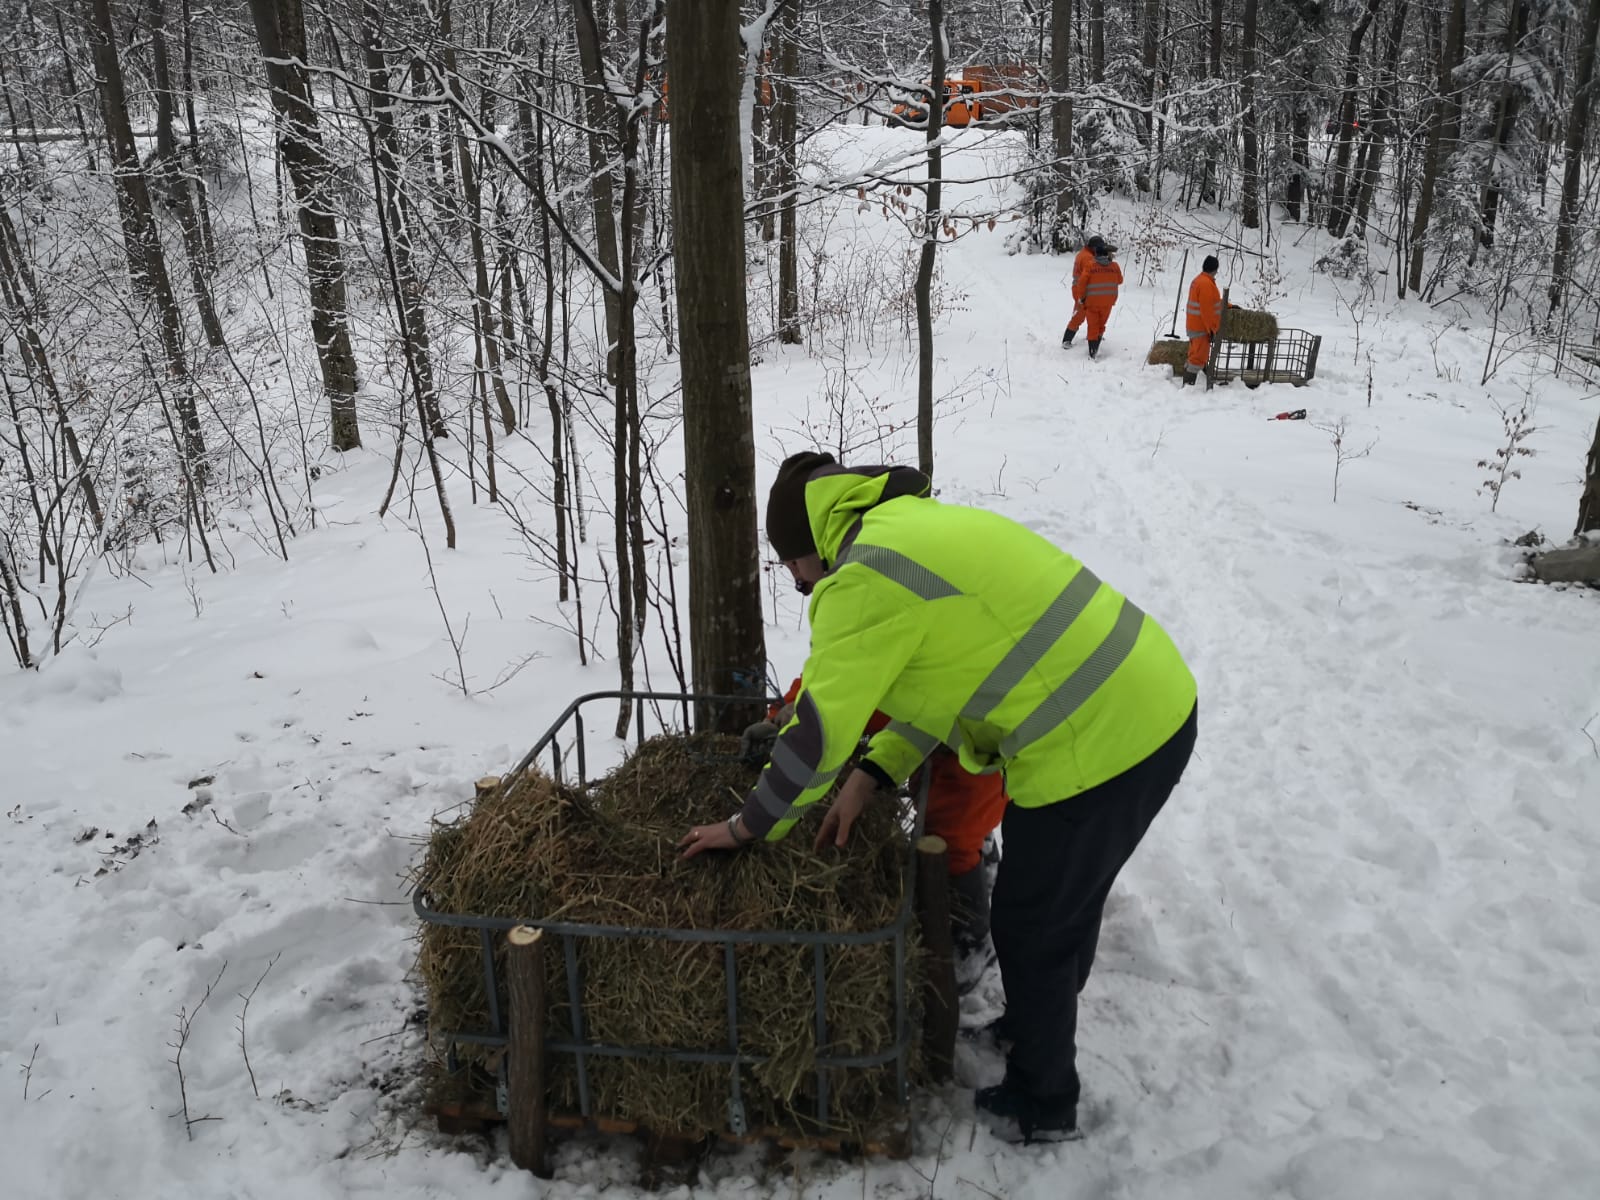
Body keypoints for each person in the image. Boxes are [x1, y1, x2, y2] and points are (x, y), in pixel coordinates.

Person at [679, 451, 1198, 1145]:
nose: (797, 582)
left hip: (1100, 743)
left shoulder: (862, 579)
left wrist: (748, 828)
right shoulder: (906, 528)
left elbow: (816, 738)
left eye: (790, 566)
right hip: (1142, 705)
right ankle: (1034, 1024)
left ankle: (1044, 1100)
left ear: (806, 550)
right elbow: (940, 687)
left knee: (1033, 923)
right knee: (1064, 899)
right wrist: (873, 777)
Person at [744, 676, 1009, 987]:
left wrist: (809, 725)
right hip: (932, 707)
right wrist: (782, 713)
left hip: (984, 725)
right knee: (939, 805)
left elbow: (865, 679)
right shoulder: (877, 644)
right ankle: (980, 859)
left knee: (950, 836)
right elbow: (837, 669)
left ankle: (965, 946)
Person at [1075, 241, 1122, 359]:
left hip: (1092, 303)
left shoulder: (1090, 266)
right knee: (1101, 325)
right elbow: (1120, 280)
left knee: (1093, 326)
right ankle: (1096, 346)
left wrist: (1081, 298)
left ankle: (1092, 351)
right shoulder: (1115, 266)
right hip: (1108, 303)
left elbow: (1081, 283)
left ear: (1096, 254)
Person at [1184, 254, 1223, 386]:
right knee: (1198, 357)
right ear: (1215, 269)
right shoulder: (1206, 284)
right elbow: (1207, 310)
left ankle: (1190, 383)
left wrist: (1228, 305)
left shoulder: (1200, 280)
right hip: (1201, 327)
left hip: (1195, 325)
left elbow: (1213, 302)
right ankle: (1188, 386)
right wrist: (1212, 329)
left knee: (1195, 354)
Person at [1061, 235, 1104, 347]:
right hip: (1082, 290)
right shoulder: (1088, 258)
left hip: (1080, 289)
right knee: (1080, 314)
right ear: (1095, 247)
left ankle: (1092, 335)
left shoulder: (1084, 253)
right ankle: (1066, 340)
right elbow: (1090, 276)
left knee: (1089, 314)